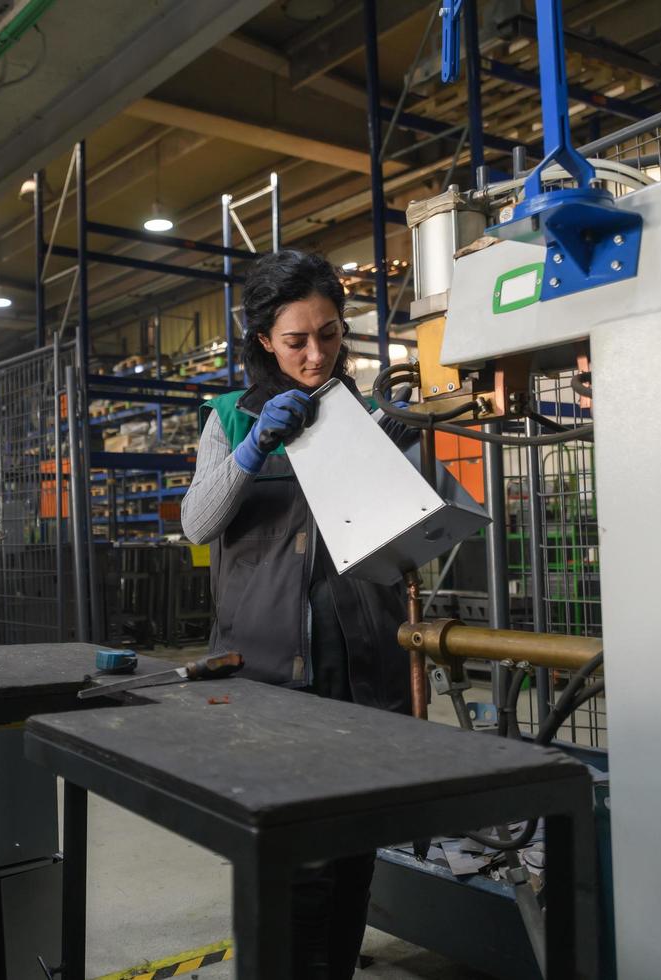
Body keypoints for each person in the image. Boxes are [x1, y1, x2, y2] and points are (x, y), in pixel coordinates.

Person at [180, 248, 412, 979]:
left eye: (331, 335)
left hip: (360, 669)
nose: (316, 355)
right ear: (261, 341)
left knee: (351, 860)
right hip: (267, 677)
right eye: (296, 341)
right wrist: (253, 446)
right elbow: (196, 523)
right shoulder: (229, 415)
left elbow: (401, 549)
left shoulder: (368, 416)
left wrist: (407, 472)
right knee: (293, 864)